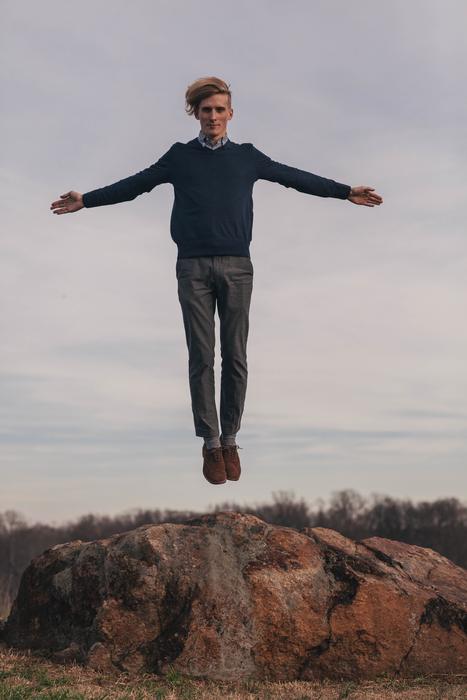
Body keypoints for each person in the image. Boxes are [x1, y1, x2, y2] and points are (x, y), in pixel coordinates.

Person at [50, 76, 383, 487]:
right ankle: (210, 444)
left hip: (238, 267)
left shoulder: (247, 157)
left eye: (219, 110)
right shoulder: (179, 157)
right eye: (205, 110)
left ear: (230, 114)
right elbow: (135, 185)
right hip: (192, 268)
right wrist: (88, 199)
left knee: (236, 356)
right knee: (201, 357)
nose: (213, 117)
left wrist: (344, 191)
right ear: (196, 113)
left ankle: (231, 440)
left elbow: (292, 176)